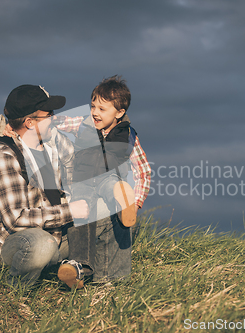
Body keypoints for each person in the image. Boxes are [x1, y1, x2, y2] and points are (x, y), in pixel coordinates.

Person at [0, 84, 89, 288]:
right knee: (42, 245)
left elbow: (77, 169)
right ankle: (16, 291)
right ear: (30, 122)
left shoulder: (53, 142)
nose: (54, 118)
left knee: (108, 218)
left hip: (57, 233)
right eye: (49, 114)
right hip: (18, 241)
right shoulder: (4, 157)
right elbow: (16, 219)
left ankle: (73, 270)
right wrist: (70, 211)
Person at [55, 75, 151, 289]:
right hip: (84, 181)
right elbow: (55, 123)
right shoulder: (82, 124)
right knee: (81, 211)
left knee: (111, 191)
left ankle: (123, 199)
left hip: (110, 179)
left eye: (102, 109)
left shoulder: (127, 136)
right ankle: (78, 267)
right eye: (93, 106)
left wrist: (136, 202)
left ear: (120, 113)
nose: (95, 113)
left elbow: (143, 170)